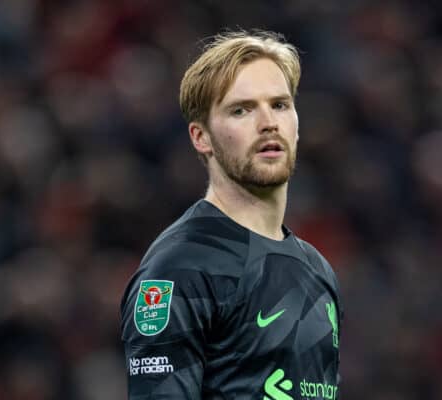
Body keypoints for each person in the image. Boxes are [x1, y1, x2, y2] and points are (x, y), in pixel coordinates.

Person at [120, 30, 343, 400]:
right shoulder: (180, 267)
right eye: (241, 110)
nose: (268, 122)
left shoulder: (317, 269)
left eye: (280, 105)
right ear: (201, 137)